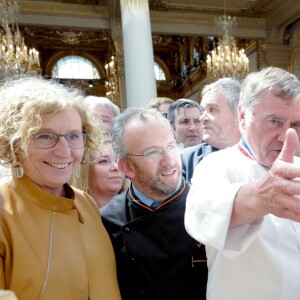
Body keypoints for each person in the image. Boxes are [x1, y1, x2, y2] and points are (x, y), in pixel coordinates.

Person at [0, 76, 121, 300]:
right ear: (14, 143)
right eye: (45, 136)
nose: (64, 151)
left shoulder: (86, 203)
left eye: (74, 136)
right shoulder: (4, 214)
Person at [185, 67, 300, 300]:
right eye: (274, 121)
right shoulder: (216, 166)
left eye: (296, 124)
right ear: (242, 115)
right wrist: (261, 197)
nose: (286, 135)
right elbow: (202, 217)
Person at [101, 108, 207, 300]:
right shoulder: (106, 221)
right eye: (153, 153)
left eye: (171, 146)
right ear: (127, 167)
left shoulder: (208, 203)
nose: (169, 161)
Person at [182, 78, 241, 183]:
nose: (202, 118)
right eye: (203, 111)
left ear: (239, 114)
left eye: (212, 110)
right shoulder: (187, 159)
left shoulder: (263, 155)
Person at [70, 140, 124, 208]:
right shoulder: (70, 213)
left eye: (116, 160)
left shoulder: (134, 210)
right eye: (104, 161)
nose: (116, 167)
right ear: (85, 171)